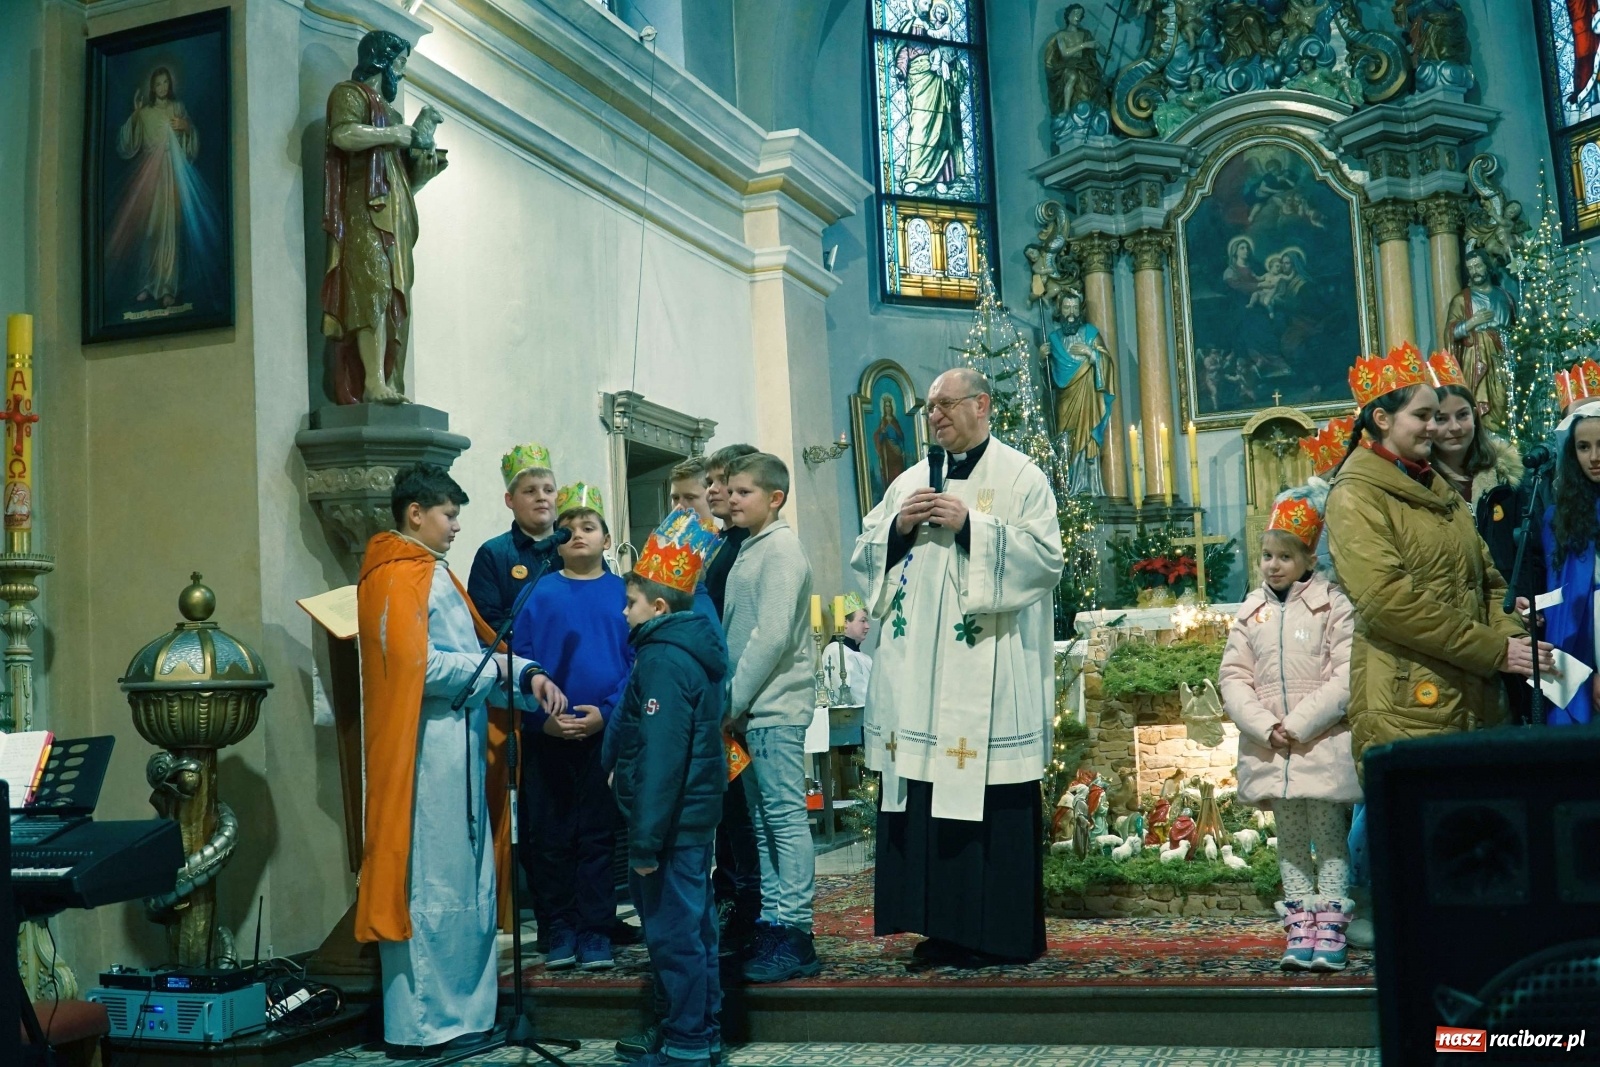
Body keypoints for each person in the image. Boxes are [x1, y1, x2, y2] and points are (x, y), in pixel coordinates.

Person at [851, 367, 1064, 968]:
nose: (936, 415)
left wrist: (972, 524)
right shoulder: (910, 482)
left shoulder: (1021, 477)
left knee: (988, 796)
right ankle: (936, 927)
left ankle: (996, 934)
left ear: (981, 405)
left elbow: (1047, 560)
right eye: (929, 408)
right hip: (919, 678)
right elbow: (865, 552)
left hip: (990, 673)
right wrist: (899, 527)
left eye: (946, 404)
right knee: (924, 794)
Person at [355, 464, 566, 1057]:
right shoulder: (398, 575)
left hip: (458, 743)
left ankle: (466, 1019)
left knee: (463, 881)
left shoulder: (429, 571)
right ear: (415, 513)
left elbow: (473, 649)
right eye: (448, 516)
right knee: (430, 884)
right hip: (425, 755)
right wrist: (497, 670)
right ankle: (425, 1027)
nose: (455, 528)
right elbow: (417, 667)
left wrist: (523, 673)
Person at [1325, 342, 1546, 768]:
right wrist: (1494, 649)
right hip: (1408, 701)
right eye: (1423, 416)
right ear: (1382, 419)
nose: (1434, 427)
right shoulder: (1355, 494)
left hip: (1474, 692)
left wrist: (1513, 638)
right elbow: (1389, 601)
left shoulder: (1435, 486)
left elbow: (1487, 580)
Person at [1218, 493, 1360, 972]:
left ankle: (1331, 927)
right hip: (1271, 748)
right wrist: (1265, 725)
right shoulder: (1250, 610)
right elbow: (1233, 677)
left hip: (1317, 743)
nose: (1272, 566)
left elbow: (1345, 675)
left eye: (1284, 556)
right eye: (1266, 556)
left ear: (1307, 561)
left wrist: (1297, 724)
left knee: (1329, 837)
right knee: (1292, 842)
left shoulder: (1332, 606)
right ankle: (1301, 926)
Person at [610, 508, 729, 1067]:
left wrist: (644, 842)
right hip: (691, 821)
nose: (623, 612)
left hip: (669, 825)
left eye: (630, 602)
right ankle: (700, 1029)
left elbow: (661, 759)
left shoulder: (661, 659)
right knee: (695, 926)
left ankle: (686, 1042)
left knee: (674, 933)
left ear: (658, 607)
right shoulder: (691, 651)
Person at [512, 497, 632, 971]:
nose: (578, 533)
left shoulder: (624, 593)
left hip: (603, 734)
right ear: (556, 543)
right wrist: (543, 721)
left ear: (606, 539)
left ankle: (596, 928)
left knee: (598, 836)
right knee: (550, 835)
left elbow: (635, 665)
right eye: (568, 527)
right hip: (548, 736)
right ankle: (558, 924)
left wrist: (606, 714)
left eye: (589, 525)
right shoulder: (538, 595)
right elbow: (519, 663)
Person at [721, 452, 820, 982]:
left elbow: (772, 635)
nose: (732, 500)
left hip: (773, 706)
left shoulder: (781, 548)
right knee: (762, 826)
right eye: (730, 491)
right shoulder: (752, 548)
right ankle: (773, 920)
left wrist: (730, 701)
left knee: (783, 819)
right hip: (751, 709)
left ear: (774, 498)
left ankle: (797, 933)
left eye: (743, 492)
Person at [321, 30, 447, 404]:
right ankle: (372, 382)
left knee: (395, 297)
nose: (402, 73)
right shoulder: (349, 94)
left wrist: (420, 173)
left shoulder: (390, 114)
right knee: (370, 287)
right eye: (400, 63)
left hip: (395, 218)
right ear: (381, 59)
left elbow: (396, 180)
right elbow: (342, 135)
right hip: (362, 212)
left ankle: (390, 380)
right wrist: (394, 134)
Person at [697, 443, 763, 954]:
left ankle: (748, 900)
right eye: (713, 482)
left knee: (746, 808)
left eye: (725, 481)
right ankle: (730, 891)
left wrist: (733, 699)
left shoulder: (752, 545)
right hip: (715, 688)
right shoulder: (719, 542)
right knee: (727, 803)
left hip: (738, 693)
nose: (715, 490)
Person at [1523, 395, 1600, 726]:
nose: (1594, 457)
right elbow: (1564, 599)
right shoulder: (1560, 518)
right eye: (1583, 447)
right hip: (1582, 643)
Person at [468, 443, 561, 631]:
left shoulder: (577, 546)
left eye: (549, 490)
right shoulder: (493, 554)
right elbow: (487, 623)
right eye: (530, 491)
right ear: (509, 500)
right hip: (522, 658)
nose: (542, 497)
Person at [820, 592, 874, 703]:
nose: (867, 626)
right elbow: (858, 694)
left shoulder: (863, 656)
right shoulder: (835, 651)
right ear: (844, 623)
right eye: (862, 621)